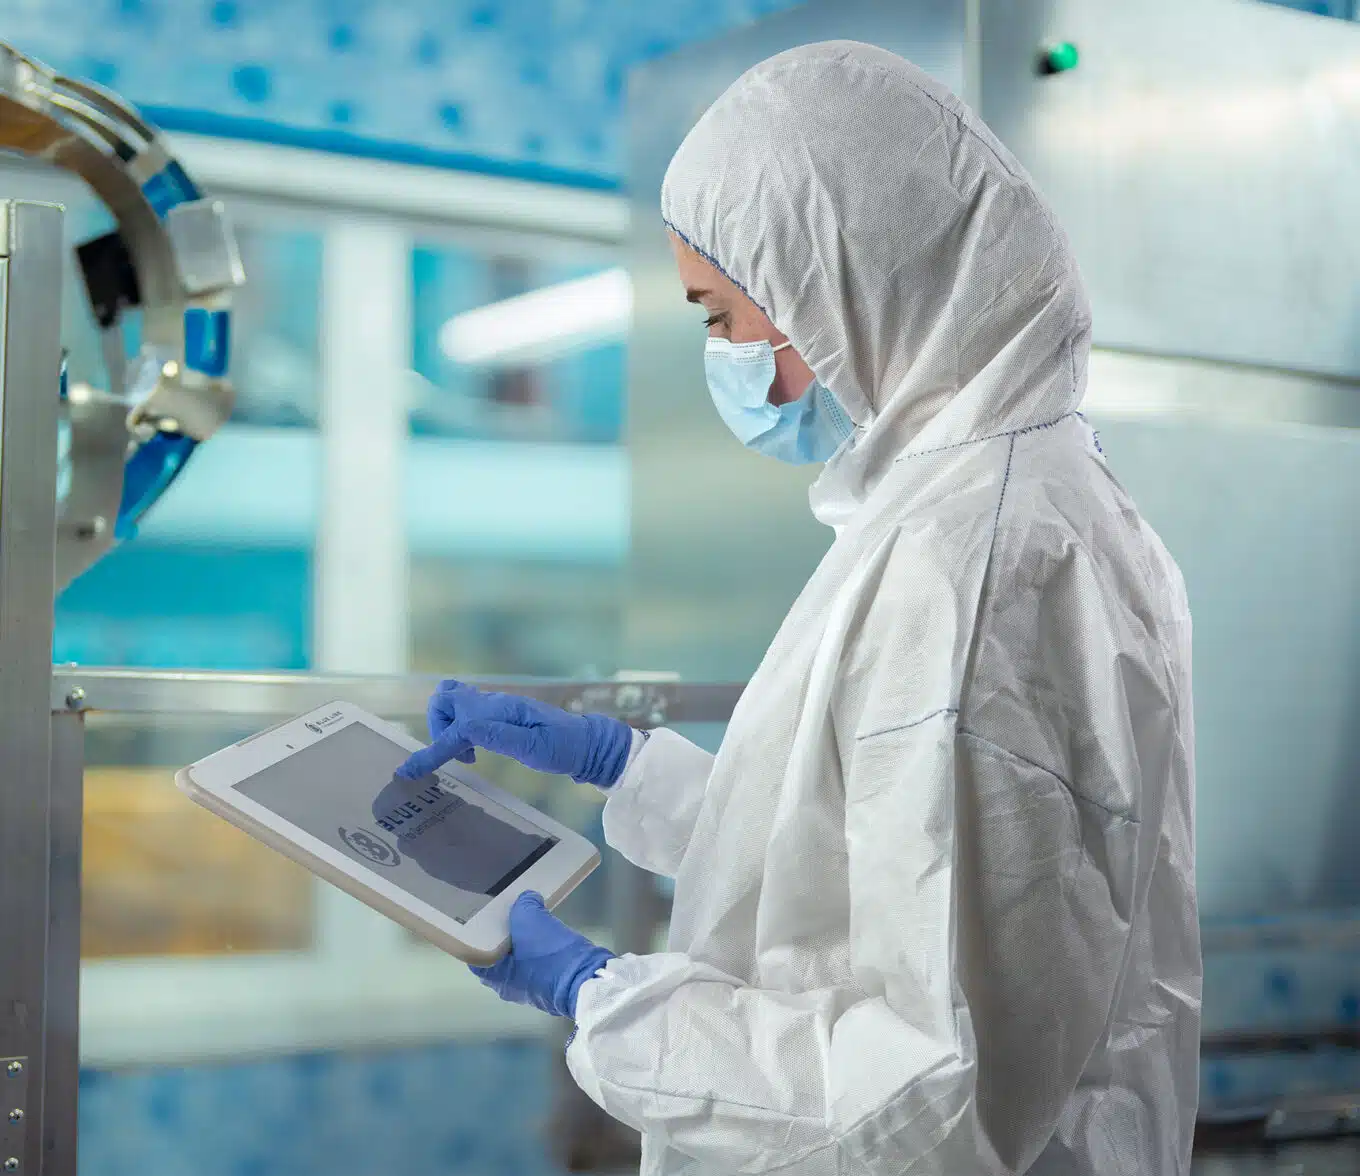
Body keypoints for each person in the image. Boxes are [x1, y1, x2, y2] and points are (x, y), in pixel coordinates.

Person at [397, 41, 1200, 1176]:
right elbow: (891, 856)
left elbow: (931, 1094)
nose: (727, 362)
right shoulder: (988, 506)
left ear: (847, 294)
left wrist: (606, 1003)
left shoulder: (975, 564)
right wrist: (626, 767)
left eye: (721, 317)